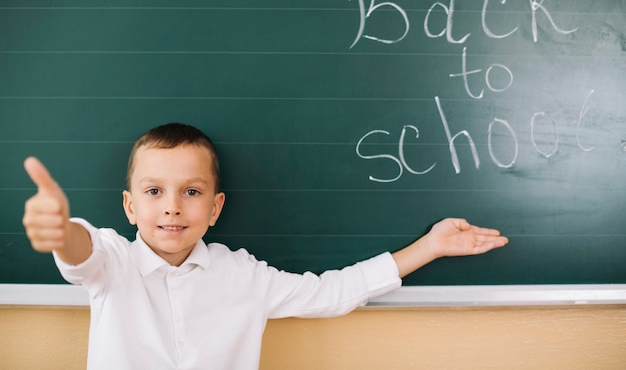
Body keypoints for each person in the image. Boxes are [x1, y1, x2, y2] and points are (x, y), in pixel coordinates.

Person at [23, 122, 508, 370]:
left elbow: (330, 292)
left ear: (215, 209)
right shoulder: (114, 263)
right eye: (154, 192)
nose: (171, 207)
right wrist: (59, 229)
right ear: (129, 207)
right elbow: (82, 251)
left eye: (191, 192)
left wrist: (430, 246)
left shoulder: (241, 275)